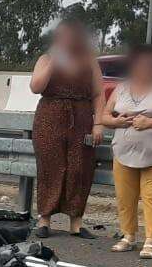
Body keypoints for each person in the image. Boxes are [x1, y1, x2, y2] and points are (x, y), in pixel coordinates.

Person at [97, 42, 152, 260]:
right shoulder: (121, 88)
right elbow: (105, 116)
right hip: (124, 153)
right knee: (125, 198)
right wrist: (117, 121)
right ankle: (128, 236)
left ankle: (151, 240)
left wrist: (150, 122)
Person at [29, 20, 101, 238]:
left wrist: (98, 124)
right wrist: (54, 61)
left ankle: (76, 221)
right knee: (50, 167)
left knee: (80, 168)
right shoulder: (45, 59)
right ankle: (44, 218)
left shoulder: (89, 61)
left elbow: (98, 94)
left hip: (81, 118)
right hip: (49, 118)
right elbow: (36, 87)